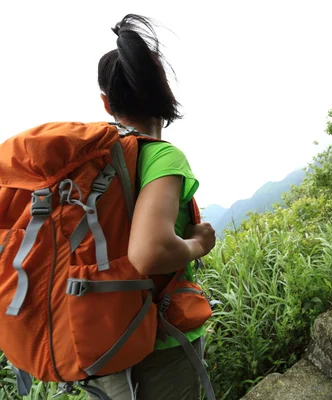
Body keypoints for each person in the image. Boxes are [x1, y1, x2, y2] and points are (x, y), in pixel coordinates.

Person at [84, 14, 216, 399]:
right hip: (157, 343)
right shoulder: (162, 157)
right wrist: (199, 244)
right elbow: (151, 251)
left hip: (100, 342)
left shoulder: (95, 167)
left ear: (106, 103)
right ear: (163, 91)